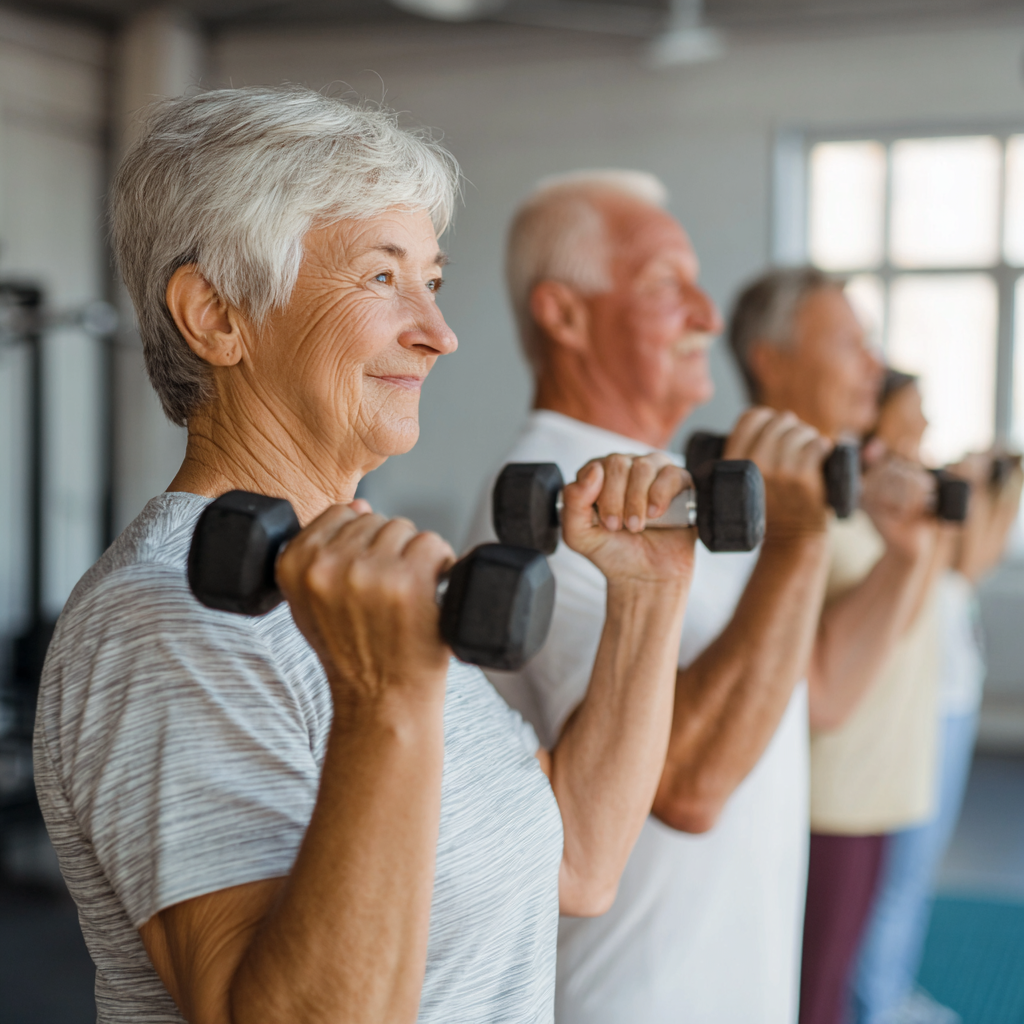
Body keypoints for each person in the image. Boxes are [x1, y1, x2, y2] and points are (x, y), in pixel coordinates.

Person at [33, 89, 702, 1024]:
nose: (439, 332)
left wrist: (646, 598)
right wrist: (384, 696)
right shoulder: (169, 624)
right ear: (217, 316)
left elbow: (579, 863)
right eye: (381, 279)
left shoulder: (356, 579)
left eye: (432, 279)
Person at [465, 175, 932, 1024]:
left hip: (738, 978)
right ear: (564, 317)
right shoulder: (559, 505)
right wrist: (800, 540)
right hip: (635, 996)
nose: (708, 318)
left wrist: (904, 552)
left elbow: (811, 694)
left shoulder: (658, 489)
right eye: (662, 286)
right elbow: (686, 786)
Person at [728, 269, 953, 1024]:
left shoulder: (843, 479)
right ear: (771, 358)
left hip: (871, 787)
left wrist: (914, 549)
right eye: (850, 344)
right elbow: (818, 689)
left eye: (872, 346)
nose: (873, 367)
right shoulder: (753, 493)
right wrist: (905, 557)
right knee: (810, 1003)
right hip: (817, 803)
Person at [851, 375, 1023, 1024]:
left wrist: (988, 493)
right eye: (913, 411)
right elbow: (963, 563)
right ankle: (876, 1001)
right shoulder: (888, 495)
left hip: (946, 689)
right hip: (915, 700)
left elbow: (973, 563)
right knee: (898, 873)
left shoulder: (924, 487)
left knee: (912, 870)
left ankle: (886, 991)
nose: (924, 424)